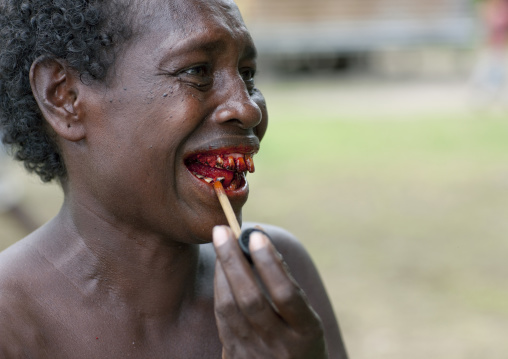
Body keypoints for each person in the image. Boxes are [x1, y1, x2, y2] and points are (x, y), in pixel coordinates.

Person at [0, 0, 348, 358]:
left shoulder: (276, 280)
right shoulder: (9, 323)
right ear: (64, 97)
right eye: (197, 70)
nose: (247, 108)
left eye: (247, 74)